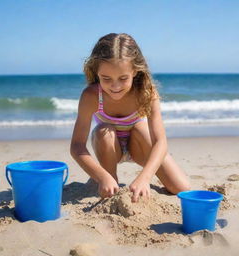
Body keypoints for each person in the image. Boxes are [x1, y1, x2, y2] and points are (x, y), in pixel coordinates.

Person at [70, 33, 190, 202]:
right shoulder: (91, 96)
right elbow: (76, 146)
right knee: (104, 130)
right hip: (109, 148)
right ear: (97, 72)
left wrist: (145, 177)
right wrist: (101, 176)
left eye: (123, 78)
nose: (115, 86)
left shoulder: (146, 92)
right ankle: (110, 177)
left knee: (181, 188)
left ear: (135, 71)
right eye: (106, 78)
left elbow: (160, 142)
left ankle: (108, 179)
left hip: (139, 146)